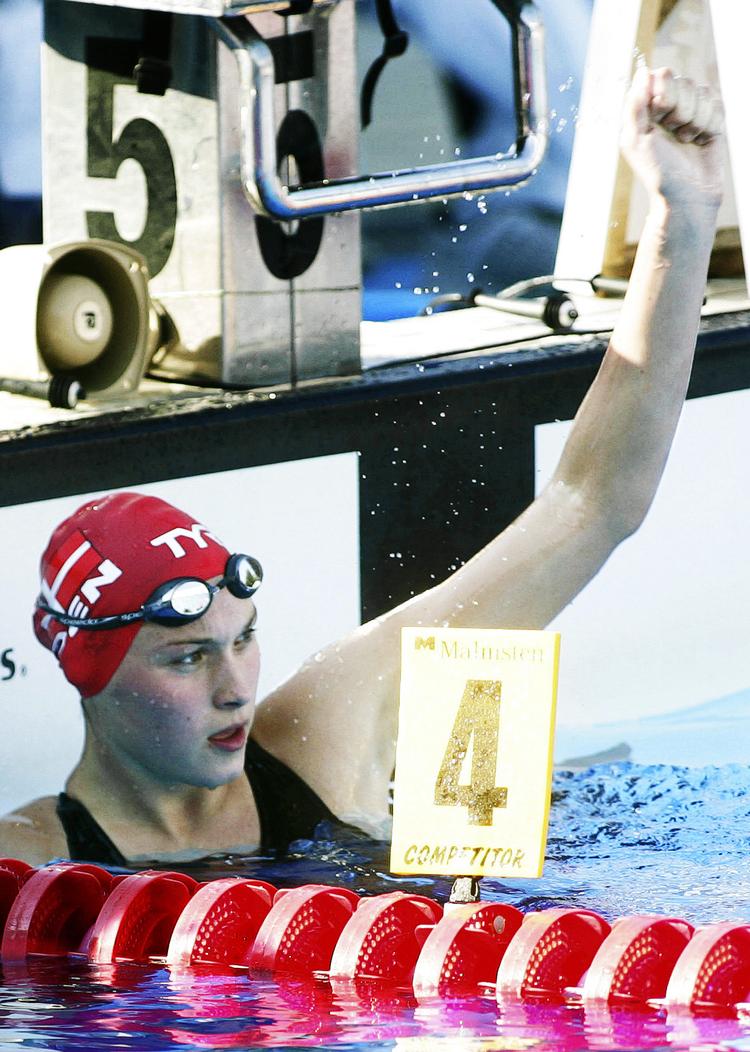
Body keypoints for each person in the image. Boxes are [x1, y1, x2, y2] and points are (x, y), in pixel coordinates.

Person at [0, 67, 724, 867]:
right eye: (187, 658)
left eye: (242, 640)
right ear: (87, 669)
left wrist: (682, 222)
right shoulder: (31, 861)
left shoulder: (321, 731)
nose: (236, 686)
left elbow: (593, 504)